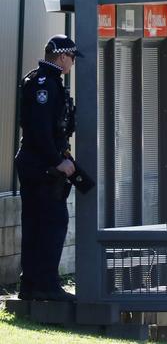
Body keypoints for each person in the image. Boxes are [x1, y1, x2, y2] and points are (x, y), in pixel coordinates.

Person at [15, 34, 83, 301]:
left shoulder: (38, 79)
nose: (73, 64)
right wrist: (59, 162)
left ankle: (30, 285)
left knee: (34, 223)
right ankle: (45, 285)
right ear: (63, 56)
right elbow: (41, 131)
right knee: (54, 222)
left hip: (33, 164)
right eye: (73, 58)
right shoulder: (47, 85)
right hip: (43, 167)